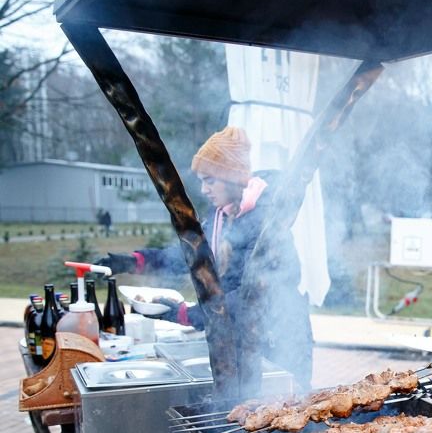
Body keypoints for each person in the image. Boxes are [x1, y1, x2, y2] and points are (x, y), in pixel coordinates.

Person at [98, 127, 314, 389]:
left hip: (279, 342)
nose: (204, 189)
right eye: (202, 180)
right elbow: (190, 254)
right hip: (243, 340)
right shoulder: (221, 216)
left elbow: (252, 297)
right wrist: (135, 261)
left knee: (280, 411)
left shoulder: (268, 222)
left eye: (210, 180)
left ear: (232, 177)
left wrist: (189, 315)